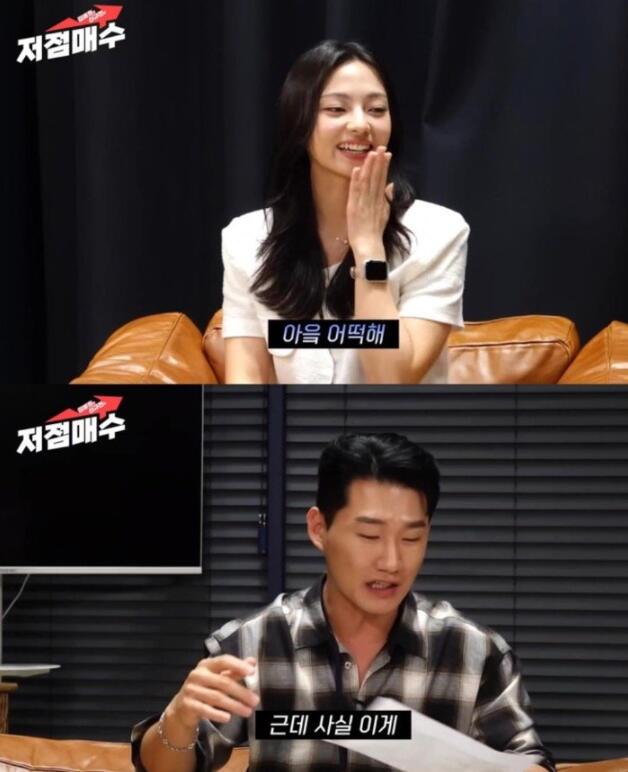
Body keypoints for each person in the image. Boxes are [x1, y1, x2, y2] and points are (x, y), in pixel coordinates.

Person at [132, 433, 555, 772]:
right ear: (319, 529)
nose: (392, 562)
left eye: (412, 538)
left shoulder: (474, 652)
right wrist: (179, 719)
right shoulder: (251, 644)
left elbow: (528, 760)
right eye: (369, 536)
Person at [222, 41, 469, 385]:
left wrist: (368, 248)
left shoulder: (439, 231)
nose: (360, 124)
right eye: (336, 109)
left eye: (376, 109)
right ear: (299, 121)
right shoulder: (246, 238)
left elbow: (392, 379)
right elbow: (247, 379)